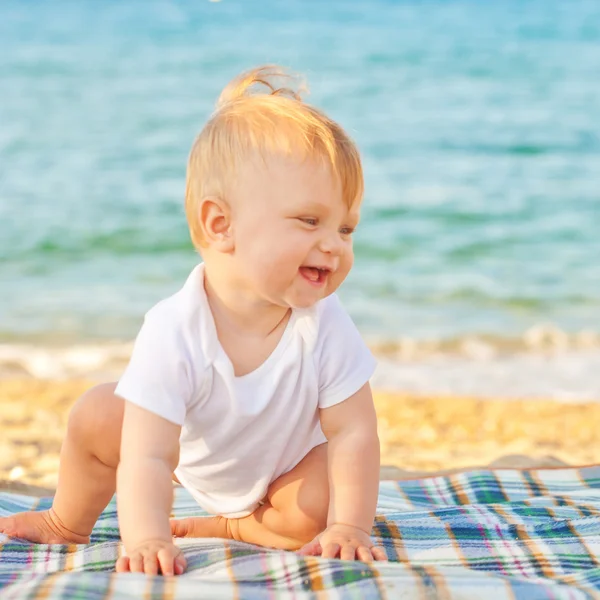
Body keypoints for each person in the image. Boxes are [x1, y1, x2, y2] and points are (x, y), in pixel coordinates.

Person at [0, 65, 387, 575]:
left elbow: (355, 432)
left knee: (319, 506)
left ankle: (235, 527)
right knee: (97, 414)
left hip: (282, 469)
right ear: (220, 225)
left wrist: (350, 527)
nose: (334, 244)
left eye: (347, 227)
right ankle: (66, 521)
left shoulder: (324, 323)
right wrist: (146, 537)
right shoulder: (175, 328)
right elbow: (147, 454)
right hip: (185, 454)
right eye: (310, 221)